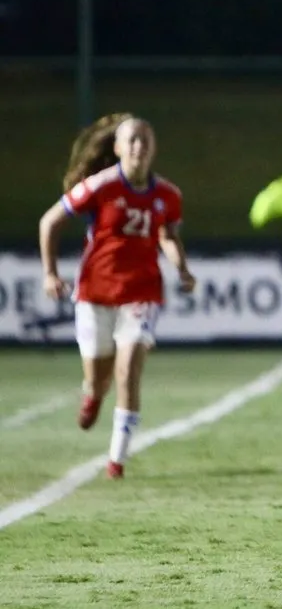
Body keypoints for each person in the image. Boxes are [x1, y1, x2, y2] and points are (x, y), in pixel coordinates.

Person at [38, 114, 195, 480]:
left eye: (146, 140)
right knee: (99, 377)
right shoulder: (100, 186)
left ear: (154, 148)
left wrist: (182, 268)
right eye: (133, 140)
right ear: (119, 148)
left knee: (129, 371)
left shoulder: (168, 196)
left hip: (142, 292)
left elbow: (168, 236)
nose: (139, 146)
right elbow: (49, 222)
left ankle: (116, 462)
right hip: (96, 292)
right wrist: (50, 273)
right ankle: (92, 394)